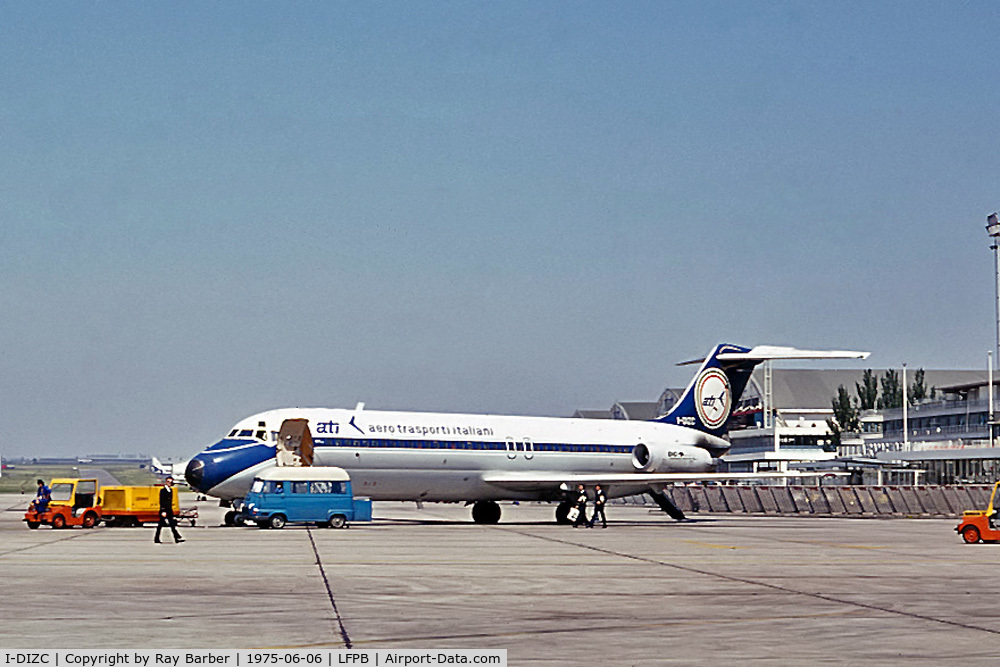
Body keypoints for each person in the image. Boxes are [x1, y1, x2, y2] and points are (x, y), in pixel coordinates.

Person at [154, 476, 184, 544]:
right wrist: (163, 510)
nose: (169, 483)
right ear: (166, 482)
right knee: (160, 525)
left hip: (169, 510)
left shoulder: (170, 490)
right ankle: (156, 538)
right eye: (168, 482)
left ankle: (177, 538)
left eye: (171, 482)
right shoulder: (163, 490)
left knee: (172, 524)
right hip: (164, 510)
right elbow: (162, 501)